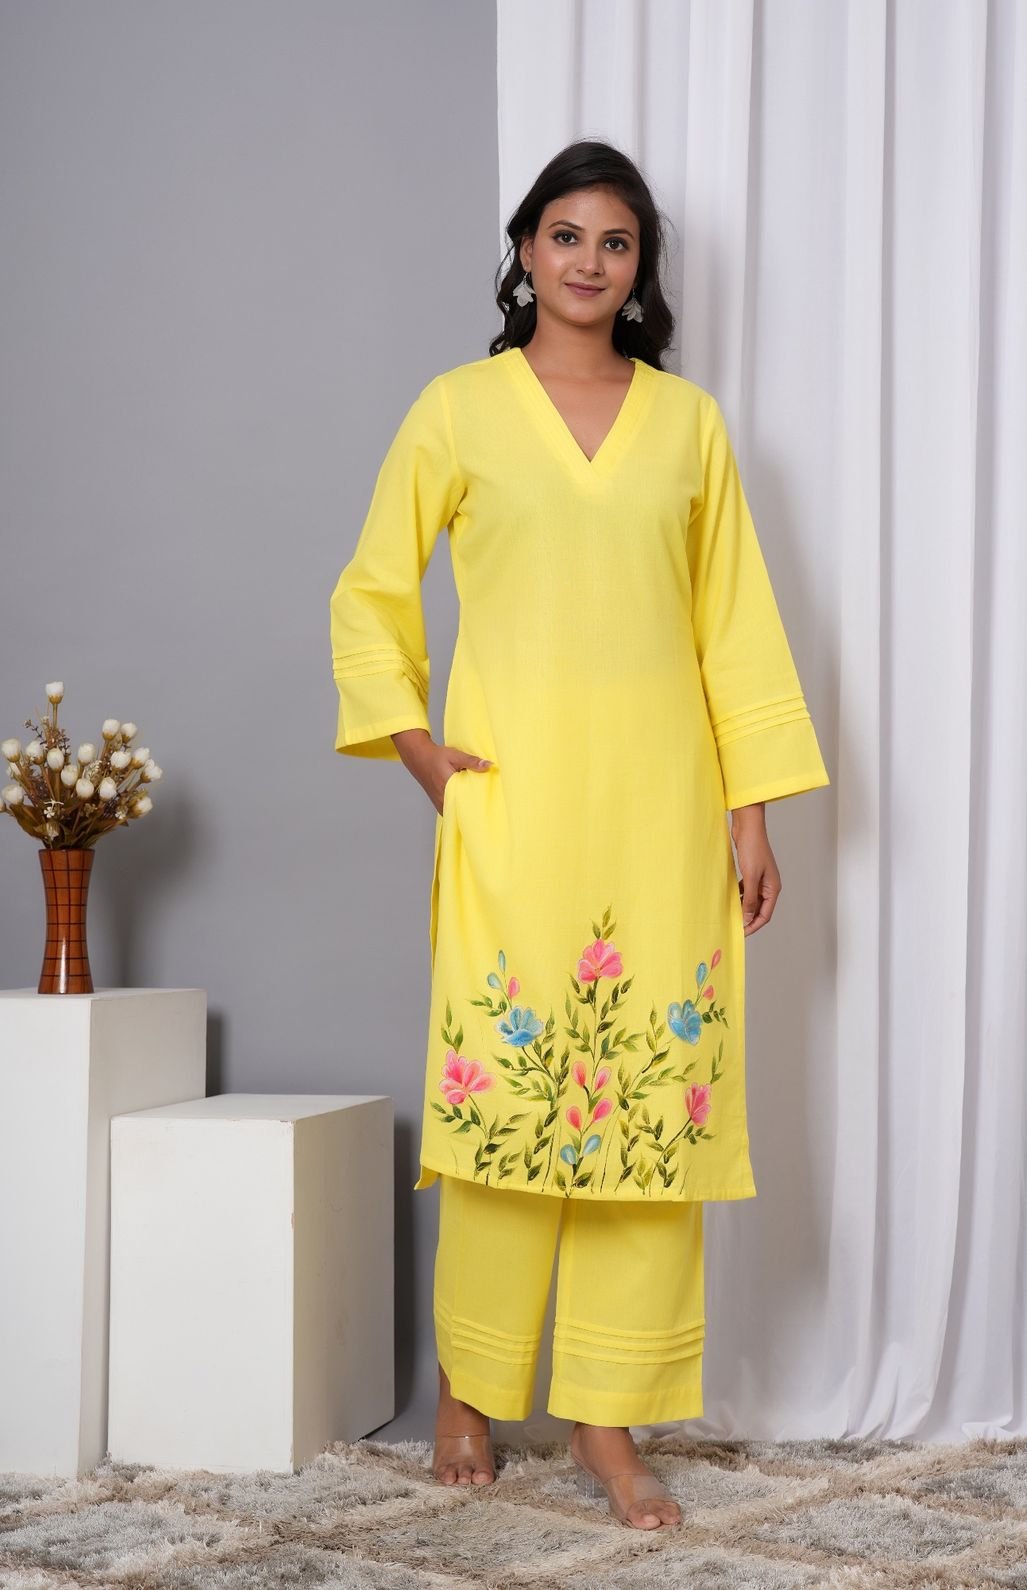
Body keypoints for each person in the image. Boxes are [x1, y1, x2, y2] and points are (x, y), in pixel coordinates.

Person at [329, 138, 829, 1531]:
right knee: (504, 1103)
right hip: (518, 810)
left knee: (647, 1119)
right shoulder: (459, 409)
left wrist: (749, 813)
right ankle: (471, 1391)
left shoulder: (688, 424)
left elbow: (735, 626)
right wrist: (418, 748)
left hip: (662, 817)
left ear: (640, 268)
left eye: (617, 242)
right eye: (566, 236)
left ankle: (608, 1418)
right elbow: (372, 587)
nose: (590, 262)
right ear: (525, 250)